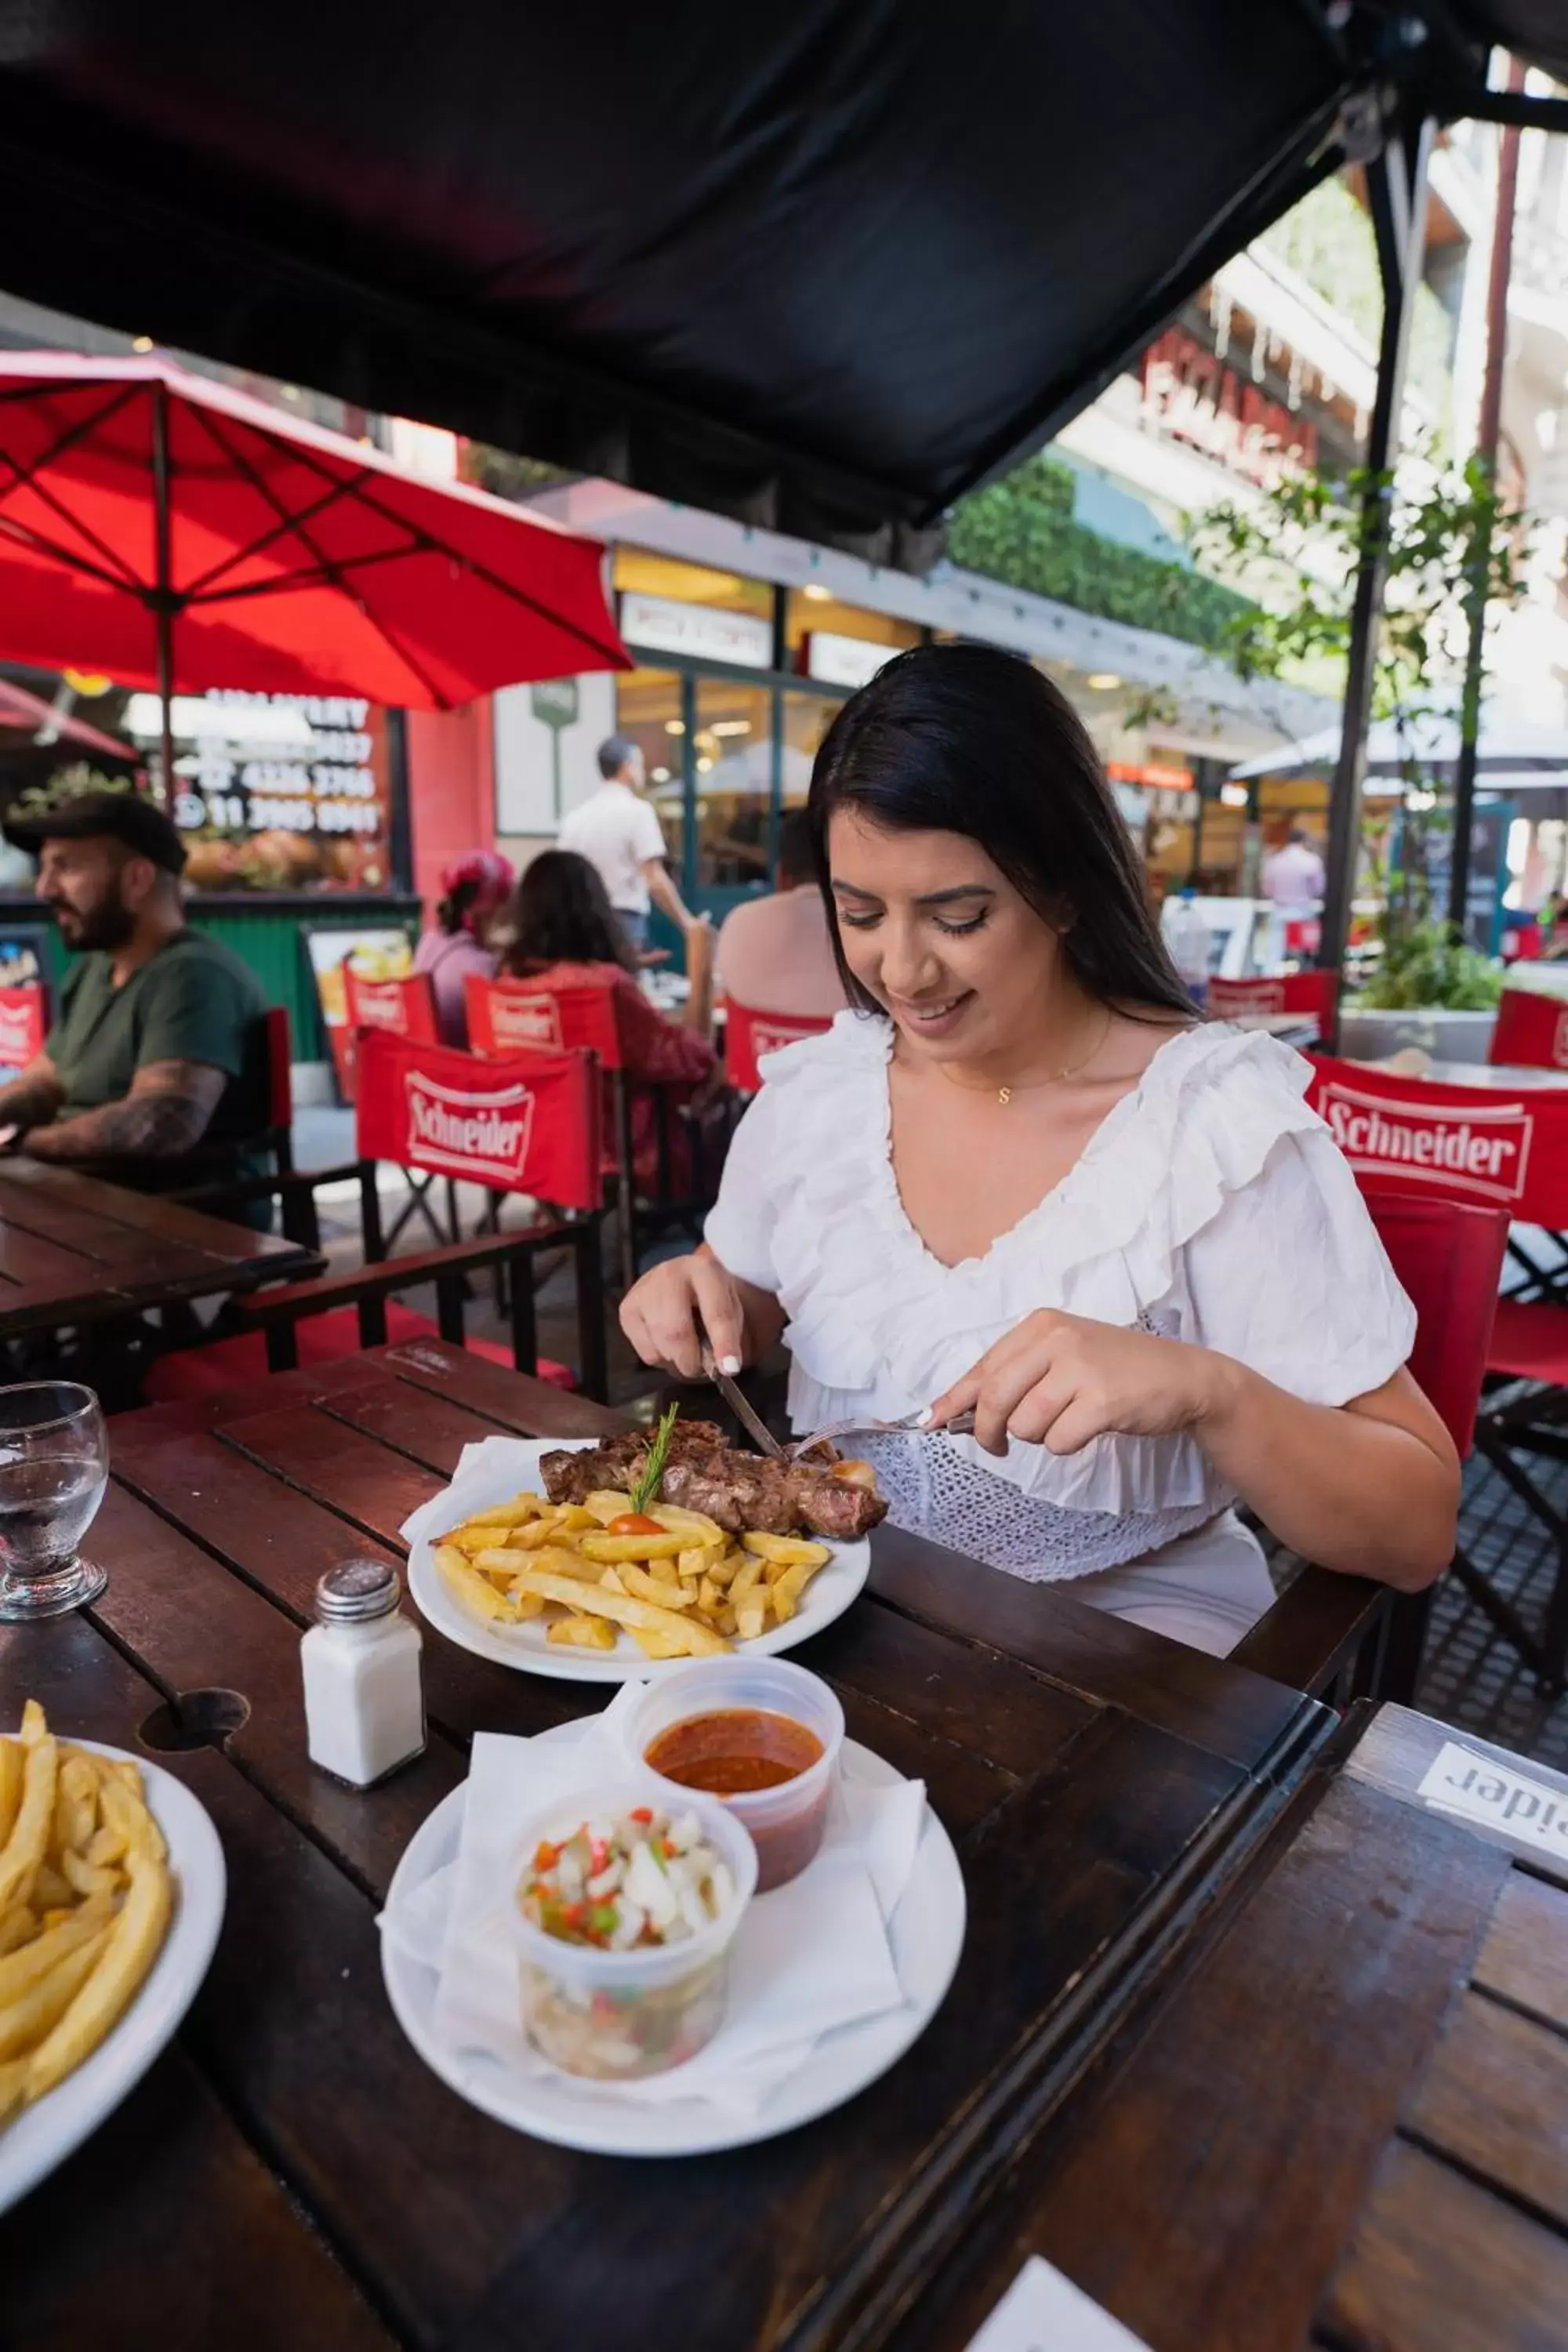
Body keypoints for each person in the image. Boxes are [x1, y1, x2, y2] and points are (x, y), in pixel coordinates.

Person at [619, 645, 1458, 1659]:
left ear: (1063, 889)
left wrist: (1207, 1388)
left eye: (958, 916)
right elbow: (746, 1304)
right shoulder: (820, 1095)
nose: (901, 969)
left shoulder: (1208, 1126)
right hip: (827, 1610)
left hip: (1121, 1648)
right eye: (860, 915)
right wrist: (701, 1299)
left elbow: (1416, 1531)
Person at [0, 792, 267, 1188]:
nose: (45, 888)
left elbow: (161, 1122)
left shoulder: (193, 975)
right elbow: (48, 1080)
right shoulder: (94, 969)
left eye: (66, 867)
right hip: (81, 1195)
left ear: (137, 879)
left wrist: (25, 1144)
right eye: (44, 869)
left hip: (175, 1220)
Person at [498, 849, 717, 1194]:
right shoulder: (604, 985)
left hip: (537, 1148)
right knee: (728, 1092)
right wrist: (701, 968)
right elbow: (694, 1060)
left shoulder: (508, 983)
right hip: (628, 1154)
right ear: (594, 909)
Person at [559, 735, 703, 958]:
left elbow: (563, 876)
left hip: (580, 923)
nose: (643, 773)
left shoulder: (575, 818)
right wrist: (685, 921)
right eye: (641, 765)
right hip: (624, 922)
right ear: (627, 767)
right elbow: (654, 878)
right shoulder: (638, 812)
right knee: (623, 987)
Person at [715, 809, 848, 1019]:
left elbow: (720, 997)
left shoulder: (741, 923)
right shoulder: (871, 930)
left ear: (781, 875)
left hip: (755, 1051)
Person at [413, 848, 514, 1046]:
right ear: (494, 905)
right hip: (466, 1068)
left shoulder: (429, 940)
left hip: (432, 1067)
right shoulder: (486, 969)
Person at [1262, 827, 1327, 910]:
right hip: (1303, 911)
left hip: (1279, 910)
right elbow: (1319, 888)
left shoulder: (1275, 860)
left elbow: (1267, 889)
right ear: (1305, 841)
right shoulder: (1312, 860)